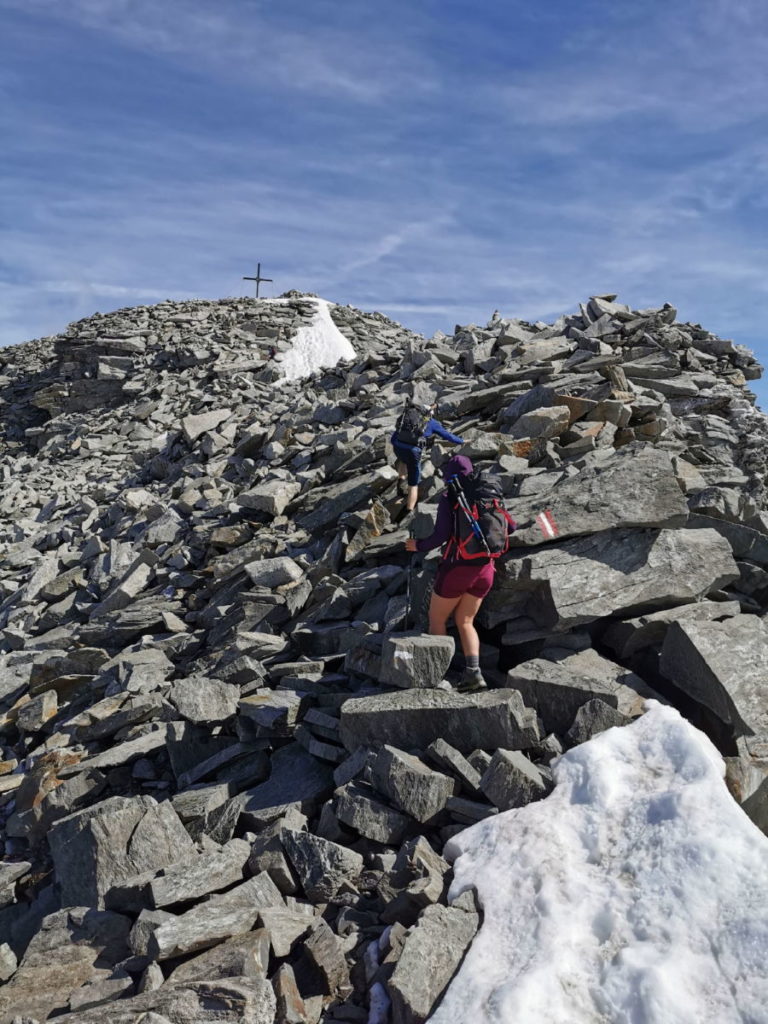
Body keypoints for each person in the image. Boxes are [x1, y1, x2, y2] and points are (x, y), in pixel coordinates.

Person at [405, 454, 514, 690]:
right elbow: (510, 527)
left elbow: (440, 536)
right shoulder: (489, 494)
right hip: (486, 570)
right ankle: (474, 674)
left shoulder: (451, 498)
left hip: (457, 570)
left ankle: (437, 675)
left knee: (437, 620)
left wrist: (418, 546)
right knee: (465, 621)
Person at [391, 401, 464, 521]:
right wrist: (461, 441)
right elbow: (447, 436)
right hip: (413, 452)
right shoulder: (432, 423)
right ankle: (408, 512)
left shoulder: (408, 418)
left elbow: (395, 435)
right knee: (413, 484)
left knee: (402, 459)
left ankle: (401, 480)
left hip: (398, 447)